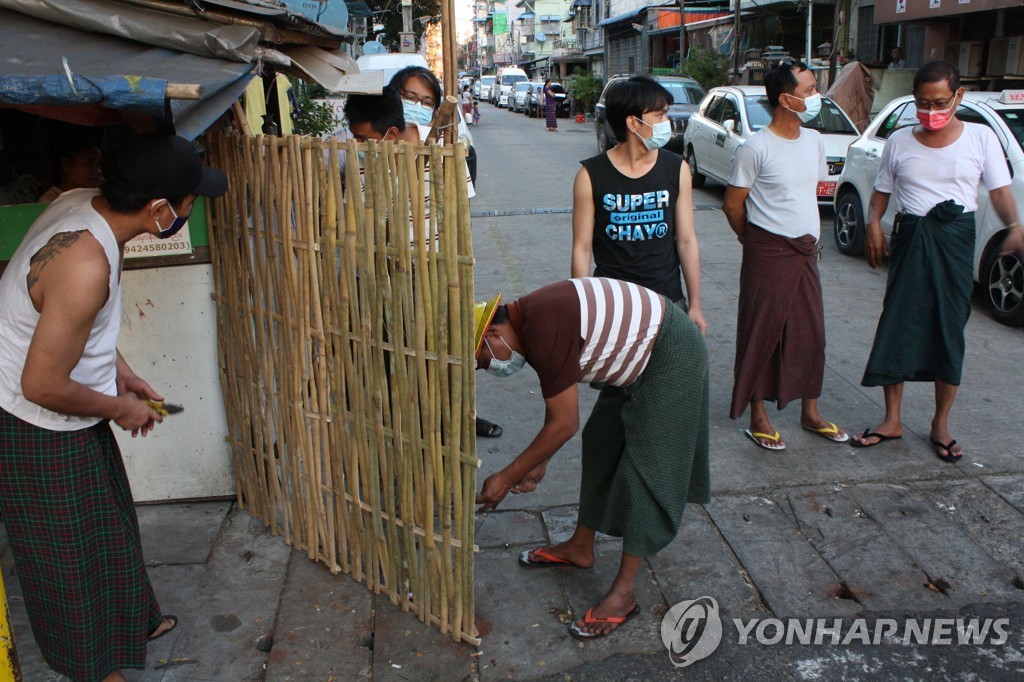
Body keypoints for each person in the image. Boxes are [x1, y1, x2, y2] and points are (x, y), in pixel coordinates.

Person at [0, 133, 227, 681]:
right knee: (67, 563)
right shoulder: (84, 265)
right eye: (189, 199)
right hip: (34, 422)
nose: (192, 207)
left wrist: (119, 373)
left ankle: (132, 622)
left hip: (68, 407)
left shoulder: (84, 204)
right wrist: (117, 407)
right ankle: (100, 669)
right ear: (159, 210)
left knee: (109, 525)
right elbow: (41, 385)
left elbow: (76, 323)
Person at [473, 277, 709, 640]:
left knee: (646, 468)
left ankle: (624, 594)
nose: (489, 369)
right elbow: (561, 417)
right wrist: (540, 458)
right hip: (639, 356)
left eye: (482, 361)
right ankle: (580, 547)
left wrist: (504, 478)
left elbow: (563, 423)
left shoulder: (540, 327)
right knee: (601, 443)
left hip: (671, 351)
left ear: (492, 334)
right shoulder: (531, 320)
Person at [851, 61, 1021, 461]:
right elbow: (881, 191)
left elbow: (998, 191)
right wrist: (874, 223)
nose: (930, 111)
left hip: (954, 239)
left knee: (949, 328)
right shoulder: (899, 141)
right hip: (911, 238)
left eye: (939, 102)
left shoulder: (980, 138)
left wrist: (1015, 226)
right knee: (898, 322)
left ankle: (939, 424)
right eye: (922, 103)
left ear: (958, 96)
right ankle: (892, 420)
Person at [345, 89, 504, 438]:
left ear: (390, 134)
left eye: (363, 138)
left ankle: (459, 420)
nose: (356, 144)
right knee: (394, 355)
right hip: (385, 273)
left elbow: (460, 217)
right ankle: (404, 426)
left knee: (446, 353)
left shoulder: (444, 155)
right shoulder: (359, 163)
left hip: (437, 272)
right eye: (354, 137)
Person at [722, 59, 849, 450]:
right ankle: (758, 416)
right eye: (809, 91)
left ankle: (809, 413)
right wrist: (756, 244)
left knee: (812, 335)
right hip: (768, 251)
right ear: (785, 99)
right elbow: (732, 206)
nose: (817, 97)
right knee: (762, 333)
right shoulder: (755, 148)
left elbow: (806, 195)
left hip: (805, 252)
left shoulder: (814, 141)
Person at [571, 75, 707, 334]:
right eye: (659, 116)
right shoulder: (590, 176)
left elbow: (686, 240)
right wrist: (584, 310)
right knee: (613, 375)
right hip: (612, 304)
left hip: (667, 301)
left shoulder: (675, 168)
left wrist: (696, 305)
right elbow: (582, 248)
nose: (666, 123)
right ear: (634, 123)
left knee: (670, 374)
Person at [389, 66, 478, 185]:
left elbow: (462, 199)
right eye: (410, 98)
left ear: (434, 110)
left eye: (427, 103)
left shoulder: (445, 145)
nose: (418, 106)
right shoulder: (372, 138)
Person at [38, 140, 103, 202]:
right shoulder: (48, 201)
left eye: (98, 165)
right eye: (89, 164)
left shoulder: (101, 196)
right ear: (66, 164)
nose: (97, 170)